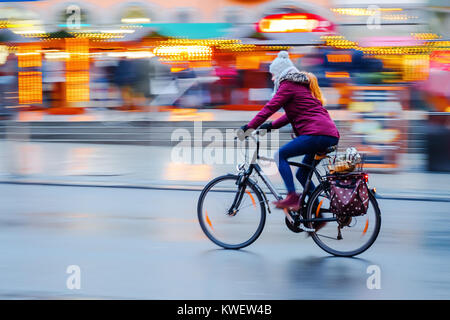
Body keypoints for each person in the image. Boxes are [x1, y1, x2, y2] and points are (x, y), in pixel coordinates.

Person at [241, 51, 340, 211]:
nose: (273, 79)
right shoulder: (300, 86)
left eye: (274, 75)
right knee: (302, 174)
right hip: (328, 134)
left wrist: (249, 127)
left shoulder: (288, 85)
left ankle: (292, 197)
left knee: (280, 155)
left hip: (316, 134)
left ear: (281, 72)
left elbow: (269, 108)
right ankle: (316, 213)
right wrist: (270, 126)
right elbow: (291, 114)